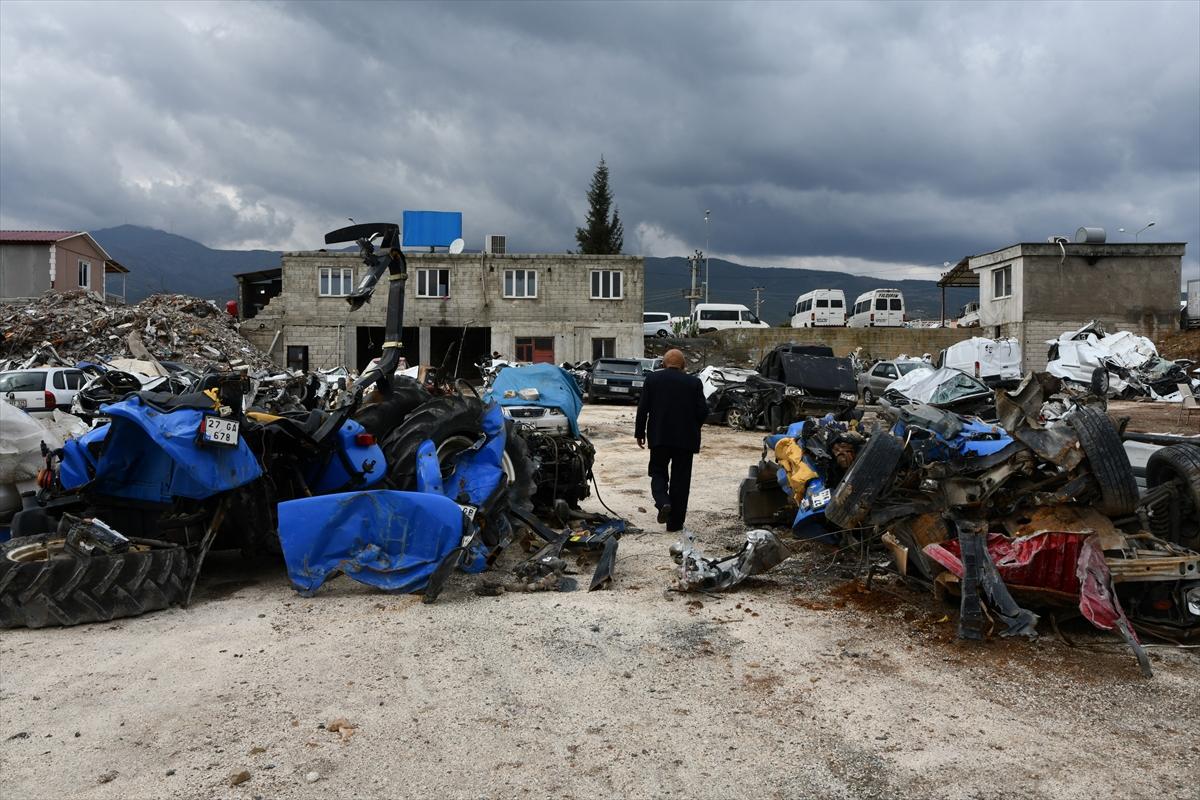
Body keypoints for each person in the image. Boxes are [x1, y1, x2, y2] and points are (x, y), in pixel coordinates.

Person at [635, 349, 709, 532]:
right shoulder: (694, 383)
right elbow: (703, 411)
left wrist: (639, 433)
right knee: (681, 481)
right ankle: (675, 524)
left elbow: (643, 408)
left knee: (658, 472)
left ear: (663, 364)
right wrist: (693, 427)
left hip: (659, 437)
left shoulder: (652, 380)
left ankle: (663, 502)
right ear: (684, 366)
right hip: (685, 441)